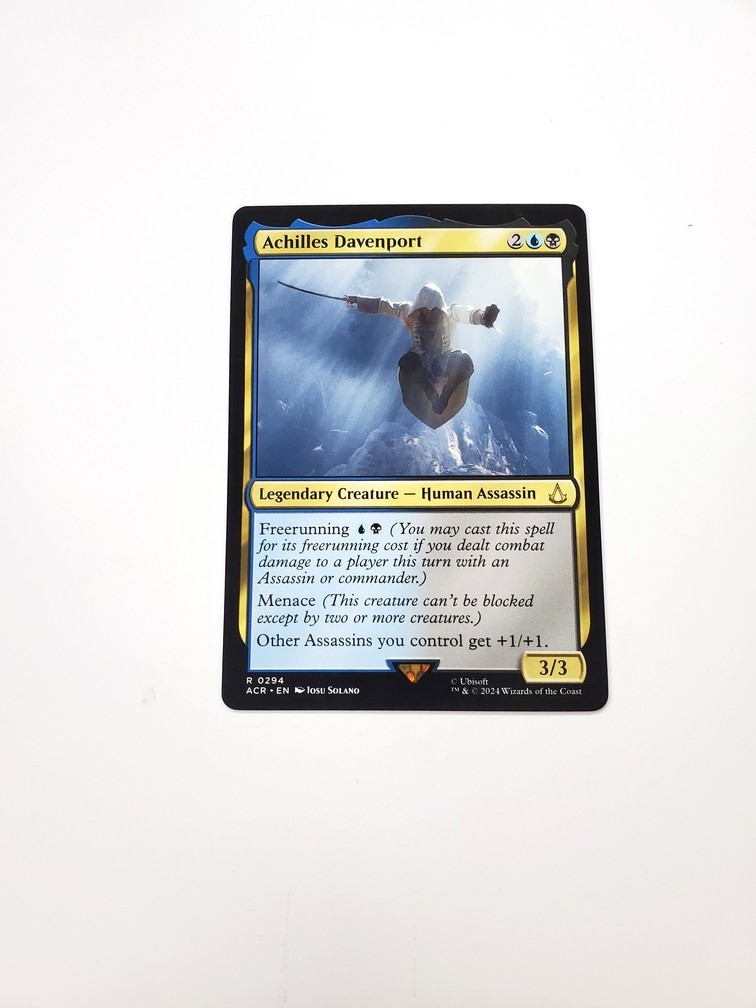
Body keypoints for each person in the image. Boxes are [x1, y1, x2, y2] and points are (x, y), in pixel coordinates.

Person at [344, 283, 499, 414]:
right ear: (419, 309)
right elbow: (385, 306)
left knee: (464, 361)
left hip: (444, 362)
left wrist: (483, 317)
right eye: (426, 310)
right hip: (422, 363)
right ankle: (430, 393)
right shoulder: (407, 312)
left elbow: (466, 313)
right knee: (407, 362)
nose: (430, 315)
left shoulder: (451, 313)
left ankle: (445, 394)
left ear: (440, 309)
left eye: (434, 311)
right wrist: (357, 300)